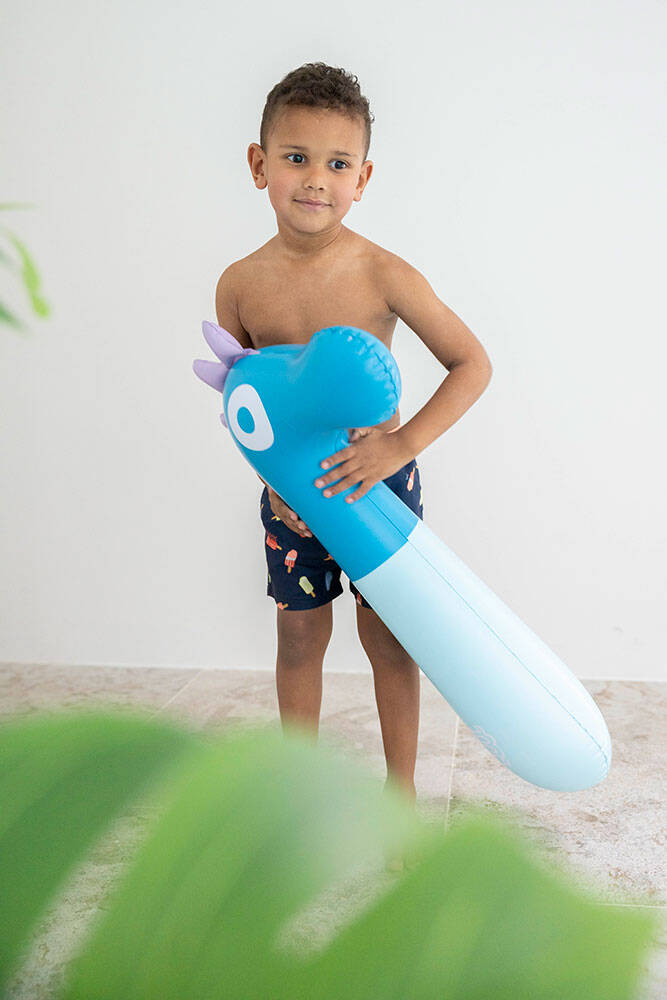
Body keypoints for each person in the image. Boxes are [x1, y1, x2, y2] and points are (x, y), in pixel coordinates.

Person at [214, 62, 493, 818]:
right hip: (291, 497)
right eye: (296, 157)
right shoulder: (239, 285)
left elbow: (472, 364)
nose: (316, 179)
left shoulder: (383, 274)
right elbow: (244, 405)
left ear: (362, 178)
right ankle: (298, 797)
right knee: (299, 639)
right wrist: (275, 483)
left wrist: (399, 448)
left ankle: (399, 795)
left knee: (390, 640)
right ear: (259, 164)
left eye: (338, 164)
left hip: (379, 489)